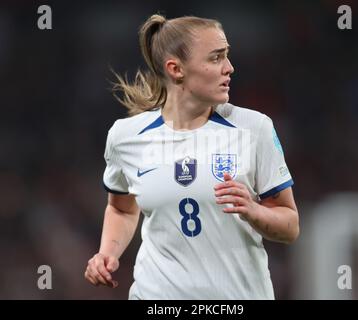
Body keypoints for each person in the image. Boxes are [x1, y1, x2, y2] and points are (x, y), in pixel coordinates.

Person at [84, 13, 299, 300]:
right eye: (216, 58)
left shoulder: (253, 128)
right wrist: (107, 253)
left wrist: (255, 211)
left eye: (227, 56)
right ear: (176, 69)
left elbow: (290, 226)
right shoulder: (126, 137)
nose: (230, 68)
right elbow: (122, 208)